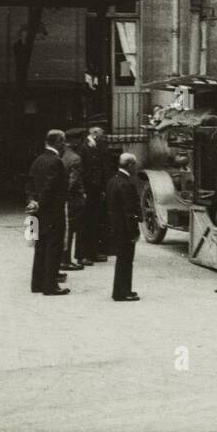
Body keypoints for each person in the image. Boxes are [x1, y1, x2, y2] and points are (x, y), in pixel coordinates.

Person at [28, 130, 70, 295]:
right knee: (53, 248)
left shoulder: (37, 160)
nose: (64, 145)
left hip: (38, 213)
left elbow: (30, 183)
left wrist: (32, 201)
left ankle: (37, 283)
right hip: (52, 211)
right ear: (58, 142)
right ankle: (50, 286)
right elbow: (50, 187)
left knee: (40, 247)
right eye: (63, 141)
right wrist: (40, 203)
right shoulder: (56, 162)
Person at [108, 153, 142, 302]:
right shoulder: (126, 184)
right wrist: (134, 231)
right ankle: (122, 292)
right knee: (126, 260)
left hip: (116, 226)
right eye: (135, 164)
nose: (136, 168)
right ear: (130, 165)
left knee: (122, 260)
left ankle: (121, 290)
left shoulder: (113, 180)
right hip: (125, 229)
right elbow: (129, 212)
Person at [77, 126, 110, 265]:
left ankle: (93, 252)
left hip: (96, 189)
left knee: (95, 221)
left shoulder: (97, 146)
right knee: (85, 222)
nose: (104, 137)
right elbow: (82, 170)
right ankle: (83, 255)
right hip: (88, 189)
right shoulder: (84, 147)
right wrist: (82, 190)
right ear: (94, 133)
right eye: (102, 134)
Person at [60, 138, 86, 270]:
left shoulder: (62, 156)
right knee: (73, 228)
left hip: (66, 199)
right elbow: (73, 180)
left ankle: (66, 258)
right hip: (74, 198)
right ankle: (68, 259)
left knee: (67, 228)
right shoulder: (75, 158)